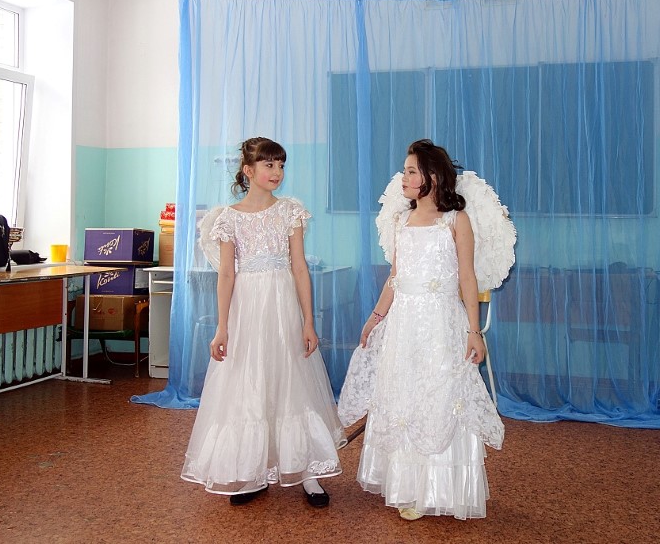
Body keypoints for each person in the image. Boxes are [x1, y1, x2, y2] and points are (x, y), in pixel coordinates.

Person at [338, 139, 507, 521]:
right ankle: (408, 485)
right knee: (405, 396)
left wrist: (474, 331)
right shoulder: (402, 221)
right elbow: (395, 277)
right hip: (404, 325)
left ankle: (440, 488)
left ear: (431, 177)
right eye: (405, 170)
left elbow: (467, 277)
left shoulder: (455, 221)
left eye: (411, 170)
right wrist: (375, 317)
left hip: (440, 324)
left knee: (440, 398)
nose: (403, 177)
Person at [182, 137, 346, 507]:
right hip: (247, 311)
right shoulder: (228, 218)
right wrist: (222, 327)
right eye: (269, 165)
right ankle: (251, 471)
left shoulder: (290, 211)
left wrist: (308, 321)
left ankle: (307, 472)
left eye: (281, 165)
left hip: (283, 309)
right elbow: (226, 275)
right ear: (248, 170)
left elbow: (299, 268)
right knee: (248, 384)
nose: (277, 172)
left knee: (292, 383)